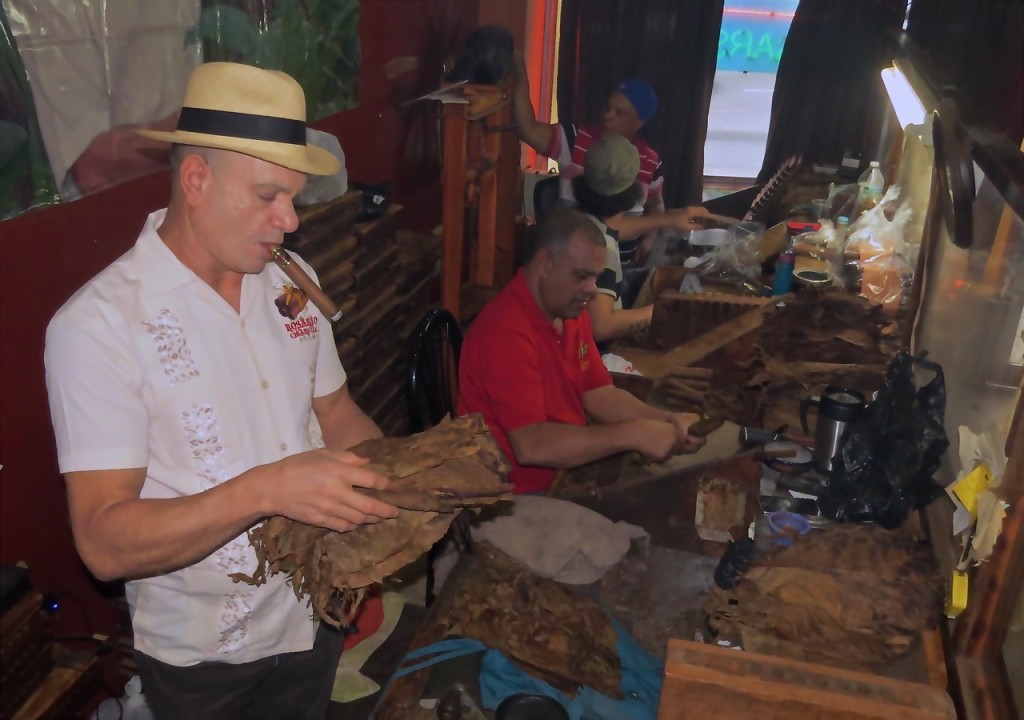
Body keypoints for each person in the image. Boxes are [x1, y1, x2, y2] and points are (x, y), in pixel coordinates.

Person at [44, 62, 400, 720]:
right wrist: (269, 488)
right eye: (268, 195)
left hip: (316, 615)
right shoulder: (98, 327)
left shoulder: (292, 287)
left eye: (293, 196)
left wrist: (397, 488)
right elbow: (101, 540)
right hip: (205, 659)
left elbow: (337, 412)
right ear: (197, 179)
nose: (289, 220)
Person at [457, 208, 706, 495]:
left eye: (596, 278)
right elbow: (531, 445)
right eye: (581, 276)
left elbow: (598, 392)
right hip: (508, 494)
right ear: (545, 264)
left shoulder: (569, 312)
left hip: (560, 471)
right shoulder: (506, 333)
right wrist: (632, 434)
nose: (591, 290)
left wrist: (662, 420)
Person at [511, 55, 712, 264]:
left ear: (639, 122)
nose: (607, 115)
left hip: (621, 265)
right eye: (607, 107)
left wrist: (650, 237)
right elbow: (527, 129)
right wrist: (520, 78)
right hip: (570, 262)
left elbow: (655, 203)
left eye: (619, 113)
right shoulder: (576, 139)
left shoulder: (650, 160)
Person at [573, 133, 654, 343]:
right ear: (632, 191)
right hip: (595, 353)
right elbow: (601, 327)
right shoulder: (602, 247)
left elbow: (619, 228)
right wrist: (658, 311)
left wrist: (671, 220)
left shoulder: (580, 219)